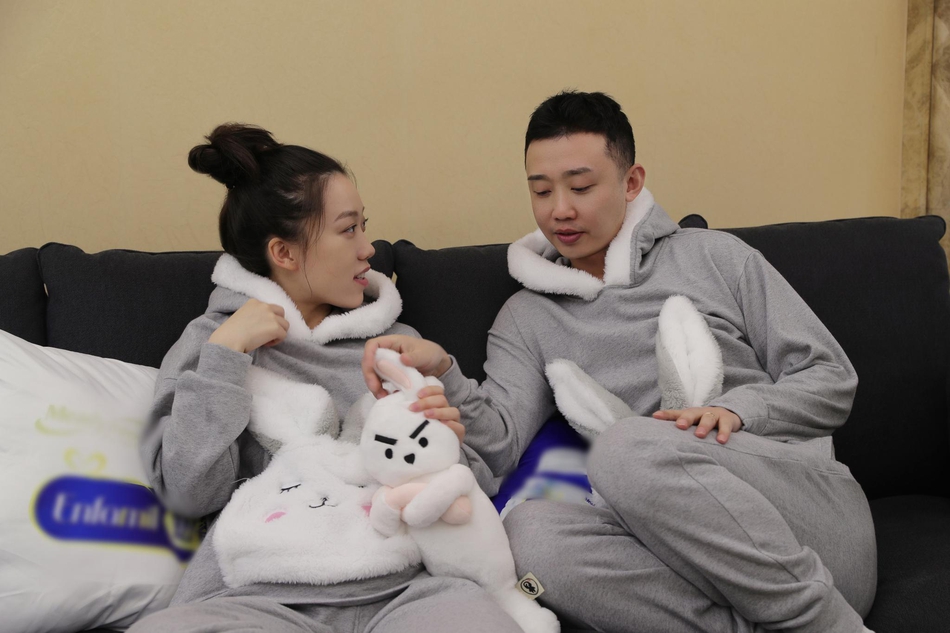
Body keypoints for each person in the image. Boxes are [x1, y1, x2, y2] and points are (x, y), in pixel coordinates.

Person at [363, 91, 877, 633]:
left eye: (581, 187)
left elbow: (831, 378)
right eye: (541, 190)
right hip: (684, 556)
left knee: (625, 447)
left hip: (812, 527)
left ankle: (825, 623)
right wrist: (443, 370)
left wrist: (741, 410)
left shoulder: (716, 257)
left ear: (631, 183)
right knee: (528, 537)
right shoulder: (527, 316)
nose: (560, 209)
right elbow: (500, 446)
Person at [135, 123, 519, 633]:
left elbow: (490, 467)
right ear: (285, 253)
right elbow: (187, 493)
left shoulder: (397, 344)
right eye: (348, 229)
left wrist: (445, 387)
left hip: (406, 590)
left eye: (364, 226)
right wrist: (226, 356)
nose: (368, 248)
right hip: (262, 595)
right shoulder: (215, 342)